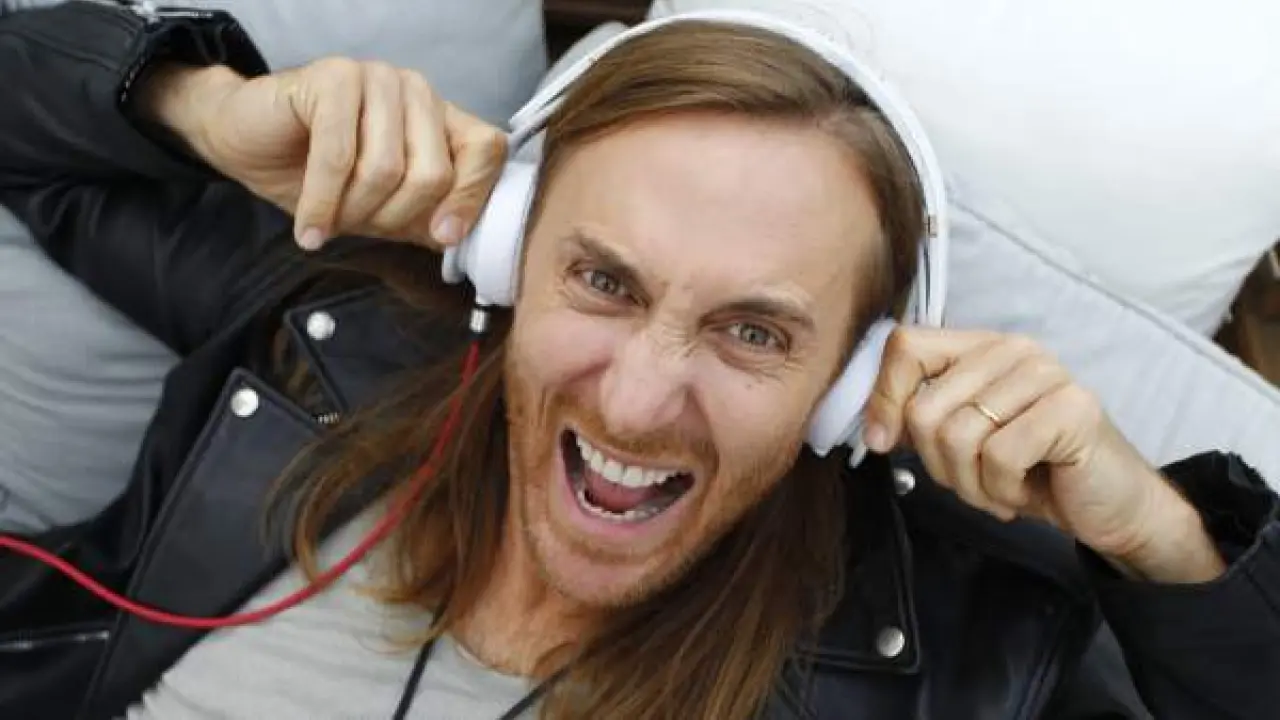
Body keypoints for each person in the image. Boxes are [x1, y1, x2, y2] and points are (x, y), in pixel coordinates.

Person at [0, 2, 1277, 719]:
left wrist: (1164, 543)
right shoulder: (336, 328)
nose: (635, 397)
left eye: (754, 332)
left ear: (851, 387)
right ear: (502, 255)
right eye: (602, 282)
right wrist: (200, 107)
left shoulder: (964, 655)